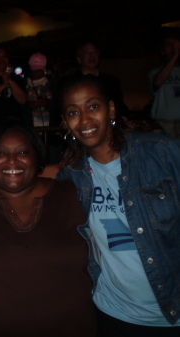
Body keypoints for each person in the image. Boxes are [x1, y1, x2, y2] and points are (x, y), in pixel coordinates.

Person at [57, 74, 180, 336]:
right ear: (66, 122)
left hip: (172, 313)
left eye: (93, 106)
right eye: (73, 112)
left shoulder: (161, 153)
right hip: (113, 314)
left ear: (110, 109)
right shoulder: (72, 174)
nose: (85, 119)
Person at [0, 119, 96, 336]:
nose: (12, 161)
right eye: (1, 153)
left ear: (37, 157)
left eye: (22, 152)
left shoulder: (72, 194)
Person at [148, 32, 180, 138]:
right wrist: (175, 55)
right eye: (169, 45)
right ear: (162, 51)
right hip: (163, 123)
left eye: (175, 45)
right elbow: (157, 82)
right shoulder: (155, 72)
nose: (172, 48)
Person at [26, 52, 53, 127]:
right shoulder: (23, 85)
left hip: (48, 125)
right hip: (30, 125)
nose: (38, 73)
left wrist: (47, 104)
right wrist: (29, 107)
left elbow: (57, 105)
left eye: (40, 70)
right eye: (35, 70)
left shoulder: (52, 84)